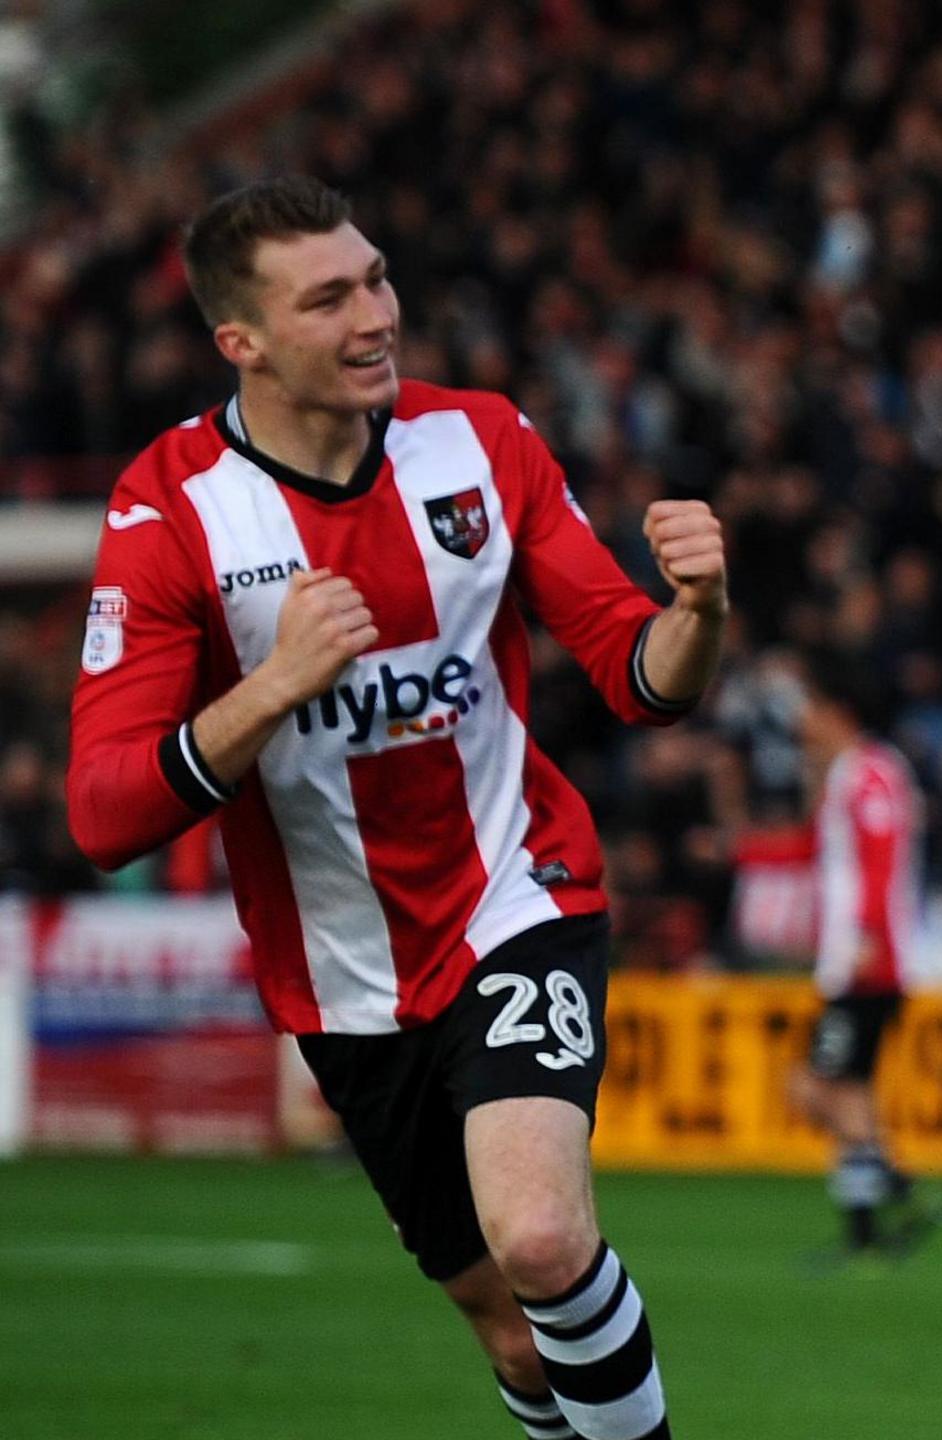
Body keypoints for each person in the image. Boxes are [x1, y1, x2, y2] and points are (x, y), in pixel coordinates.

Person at [67, 176, 726, 1440]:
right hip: (343, 974)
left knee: (539, 1238)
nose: (376, 314)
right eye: (330, 298)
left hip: (513, 894)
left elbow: (638, 678)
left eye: (376, 277)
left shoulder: (480, 440)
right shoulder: (169, 510)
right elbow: (101, 815)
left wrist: (698, 617)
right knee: (506, 1327)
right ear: (241, 344)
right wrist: (271, 688)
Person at [795, 655, 936, 1258]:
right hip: (860, 958)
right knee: (853, 1093)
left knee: (811, 1089)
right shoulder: (857, 772)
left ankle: (901, 1183)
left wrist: (866, 938)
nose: (803, 719)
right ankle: (863, 1232)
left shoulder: (867, 774)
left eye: (812, 706)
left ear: (838, 712)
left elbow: (879, 859)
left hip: (867, 962)